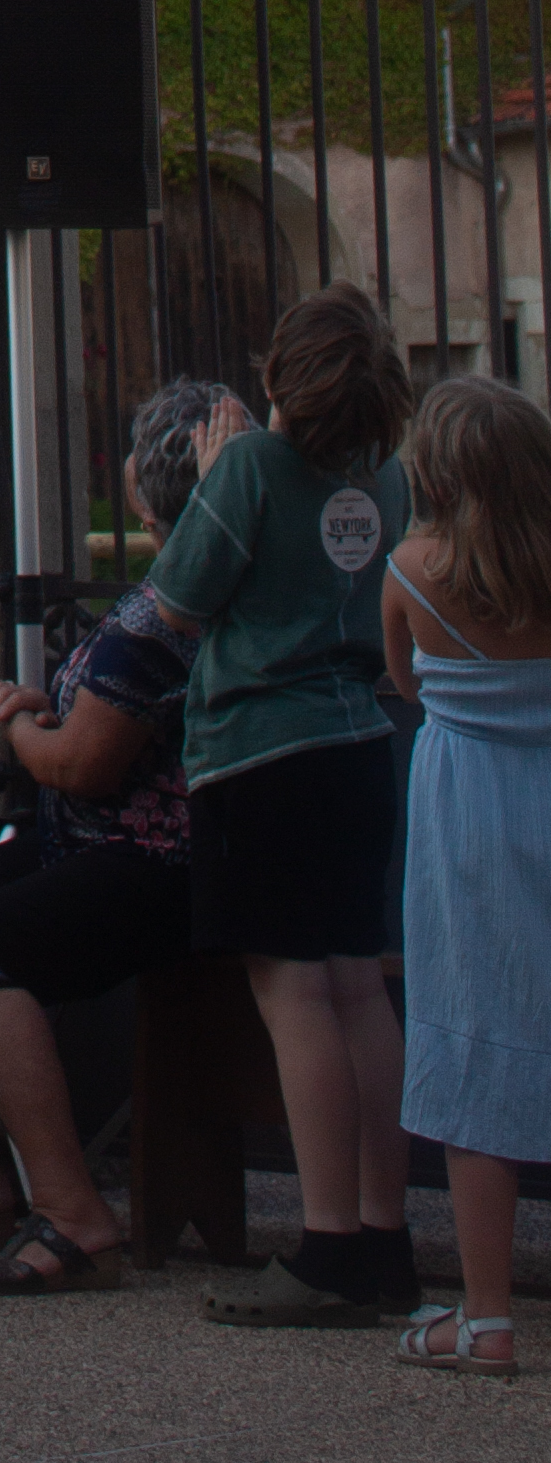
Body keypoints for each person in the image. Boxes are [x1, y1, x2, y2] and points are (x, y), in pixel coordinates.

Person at [0, 375, 244, 1294]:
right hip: (103, 842)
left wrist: (22, 729)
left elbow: (83, 767)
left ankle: (74, 1212)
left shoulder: (176, 604)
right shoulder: (190, 577)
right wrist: (56, 707)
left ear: (136, 486)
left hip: (157, 865)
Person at [145, 280, 418, 1329]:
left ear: (280, 376)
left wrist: (215, 476)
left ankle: (325, 1244)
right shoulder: (386, 474)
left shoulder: (253, 464)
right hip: (358, 748)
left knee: (294, 997)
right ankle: (384, 1234)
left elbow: (177, 599)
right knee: (359, 992)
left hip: (262, 755)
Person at [382, 373, 551, 1377]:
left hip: (469, 817)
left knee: (476, 1036)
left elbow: (405, 684)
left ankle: (485, 1316)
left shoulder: (412, 570)